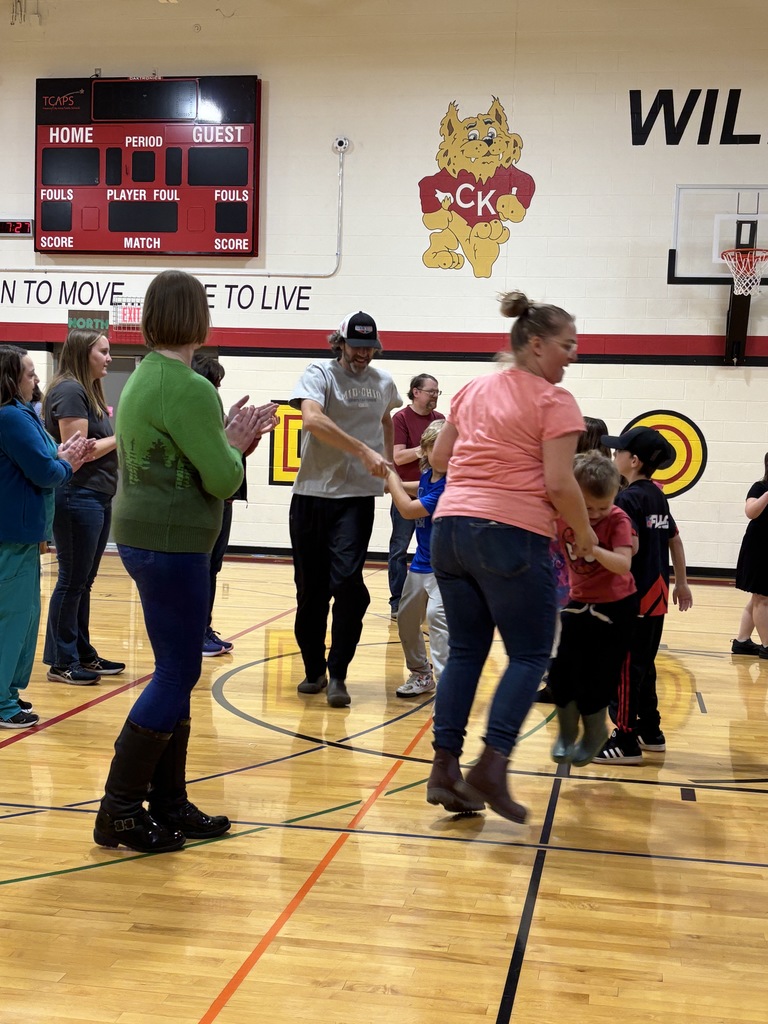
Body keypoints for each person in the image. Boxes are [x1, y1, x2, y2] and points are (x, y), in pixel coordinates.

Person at [93, 269, 278, 853]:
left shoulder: (143, 377)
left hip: (143, 536)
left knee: (175, 668)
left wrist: (222, 441)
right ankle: (120, 810)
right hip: (174, 541)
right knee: (177, 672)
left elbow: (180, 457)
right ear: (200, 319)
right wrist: (237, 445)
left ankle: (168, 802)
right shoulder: (192, 386)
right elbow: (222, 479)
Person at [425, 291, 597, 822]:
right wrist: (585, 535)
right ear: (536, 344)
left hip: (449, 530)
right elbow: (559, 482)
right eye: (568, 345)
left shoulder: (473, 388)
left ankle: (444, 767)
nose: (573, 355)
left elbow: (439, 458)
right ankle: (492, 764)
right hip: (510, 533)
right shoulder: (554, 401)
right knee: (529, 654)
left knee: (466, 653)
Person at [289, 311, 402, 709]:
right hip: (312, 495)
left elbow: (386, 419)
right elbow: (312, 419)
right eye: (356, 346)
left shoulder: (384, 382)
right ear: (339, 343)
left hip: (355, 499)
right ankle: (314, 670)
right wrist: (363, 450)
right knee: (311, 592)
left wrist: (387, 462)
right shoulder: (319, 373)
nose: (362, 354)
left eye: (369, 347)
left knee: (348, 586)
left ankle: (338, 672)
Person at [0, 345, 92, 728]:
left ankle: (8, 694)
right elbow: (44, 472)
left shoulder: (20, 413)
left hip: (21, 535)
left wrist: (60, 452)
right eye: (29, 373)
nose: (37, 379)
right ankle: (2, 703)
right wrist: (67, 463)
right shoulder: (10, 417)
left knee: (24, 618)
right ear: (11, 378)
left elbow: (45, 455)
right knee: (14, 619)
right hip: (12, 537)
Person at [593, 426, 693, 764]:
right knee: (643, 666)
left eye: (618, 451)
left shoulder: (627, 499)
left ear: (633, 461)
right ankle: (651, 730)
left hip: (632, 598)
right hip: (656, 595)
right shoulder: (657, 496)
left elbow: (629, 549)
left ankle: (625, 739)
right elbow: (674, 539)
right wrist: (681, 582)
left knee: (623, 669)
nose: (614, 456)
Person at [42, 329, 123, 684]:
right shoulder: (70, 390)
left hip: (96, 495)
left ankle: (82, 653)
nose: (109, 358)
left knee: (83, 581)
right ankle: (62, 661)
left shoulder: (87, 391)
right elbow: (81, 451)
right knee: (72, 580)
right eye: (102, 351)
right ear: (82, 353)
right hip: (77, 495)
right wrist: (123, 435)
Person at [547, 452, 638, 765]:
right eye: (588, 508)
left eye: (603, 506)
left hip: (617, 605)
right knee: (561, 672)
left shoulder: (618, 519)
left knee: (598, 677)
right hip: (580, 600)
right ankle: (566, 732)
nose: (597, 514)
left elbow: (624, 564)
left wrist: (595, 549)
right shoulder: (564, 513)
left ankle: (595, 731)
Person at [536, 413, 611, 704]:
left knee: (561, 620)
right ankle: (574, 678)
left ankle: (559, 681)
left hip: (568, 554)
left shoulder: (574, 477)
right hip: (591, 558)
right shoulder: (607, 478)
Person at [386, 419, 448, 698]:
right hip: (421, 565)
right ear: (425, 450)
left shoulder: (450, 485)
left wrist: (391, 478)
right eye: (439, 448)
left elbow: (409, 510)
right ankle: (421, 674)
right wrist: (397, 484)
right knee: (406, 620)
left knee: (437, 619)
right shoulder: (428, 477)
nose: (446, 454)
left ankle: (447, 687)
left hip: (445, 568)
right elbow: (419, 489)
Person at [191, 352, 247, 658]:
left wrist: (246, 430)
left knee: (212, 567)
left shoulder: (215, 410)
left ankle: (204, 627)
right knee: (201, 569)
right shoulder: (194, 410)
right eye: (215, 382)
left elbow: (233, 454)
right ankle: (195, 633)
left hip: (223, 499)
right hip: (205, 501)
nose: (218, 388)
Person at [387, 374, 445, 619]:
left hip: (434, 492)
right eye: (431, 391)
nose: (435, 395)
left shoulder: (440, 420)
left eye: (437, 392)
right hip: (408, 492)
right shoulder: (400, 418)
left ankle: (433, 600)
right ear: (416, 392)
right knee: (399, 548)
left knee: (435, 547)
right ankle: (397, 601)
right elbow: (398, 457)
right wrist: (428, 447)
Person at [732, 453, 768, 657]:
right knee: (762, 597)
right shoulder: (759, 488)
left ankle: (742, 641)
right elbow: (750, 512)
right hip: (759, 547)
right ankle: (767, 645)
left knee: (759, 597)